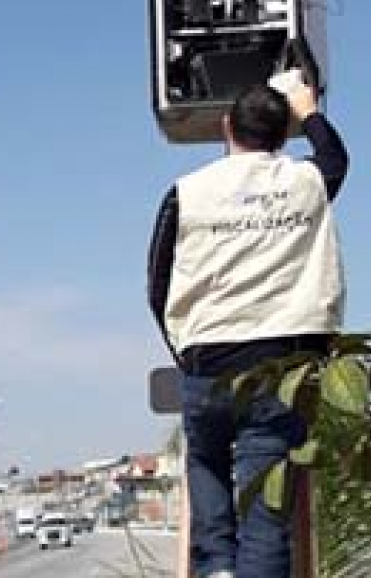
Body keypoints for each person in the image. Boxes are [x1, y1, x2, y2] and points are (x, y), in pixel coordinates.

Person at [147, 77, 348, 578]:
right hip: (281, 364)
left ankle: (215, 566)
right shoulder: (308, 183)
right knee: (265, 514)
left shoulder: (186, 193)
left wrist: (185, 352)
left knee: (207, 461)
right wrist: (310, 111)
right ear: (283, 136)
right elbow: (335, 156)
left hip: (206, 357)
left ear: (225, 128)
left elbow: (157, 283)